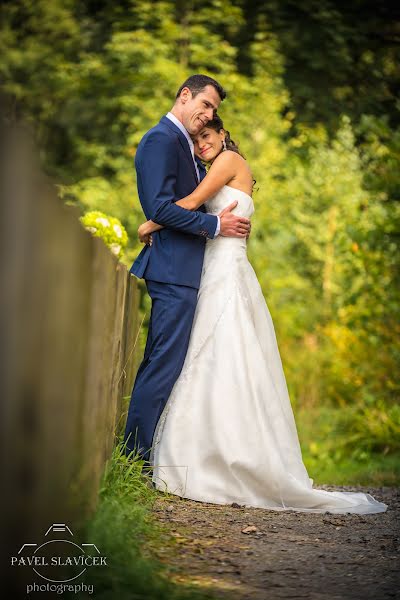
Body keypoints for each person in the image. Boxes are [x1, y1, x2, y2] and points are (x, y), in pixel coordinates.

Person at [136, 115, 388, 514]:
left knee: (219, 352)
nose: (202, 144)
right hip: (220, 264)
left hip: (224, 269)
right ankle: (209, 450)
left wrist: (151, 222)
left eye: (208, 135)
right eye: (197, 139)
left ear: (223, 133)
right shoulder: (225, 164)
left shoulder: (227, 162)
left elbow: (190, 203)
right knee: (217, 355)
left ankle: (218, 456)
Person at [123, 75, 251, 466]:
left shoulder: (190, 148)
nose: (209, 114)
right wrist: (215, 226)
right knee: (163, 364)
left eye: (214, 110)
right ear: (184, 95)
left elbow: (186, 202)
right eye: (206, 104)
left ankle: (148, 454)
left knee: (170, 364)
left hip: (191, 271)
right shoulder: (161, 139)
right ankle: (134, 459)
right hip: (173, 270)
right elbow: (160, 207)